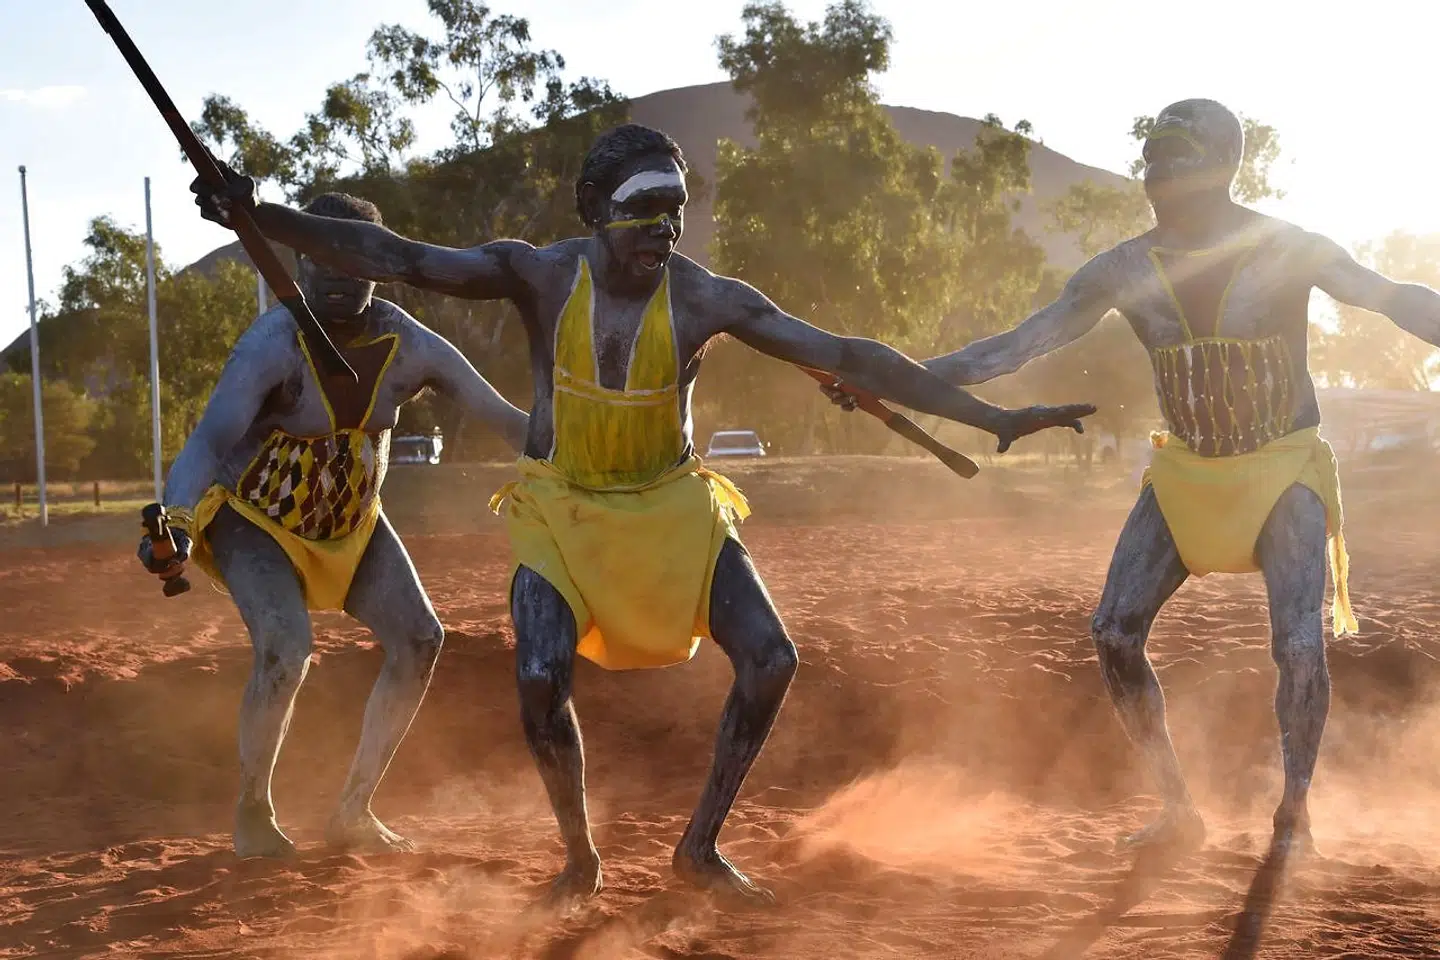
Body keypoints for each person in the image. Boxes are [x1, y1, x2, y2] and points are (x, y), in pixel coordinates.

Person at [188, 123, 1095, 901]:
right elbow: (399, 256)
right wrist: (258, 215)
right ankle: (579, 857)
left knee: (773, 659)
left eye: (676, 210)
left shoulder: (706, 298)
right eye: (643, 208)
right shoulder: (540, 276)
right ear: (595, 210)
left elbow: (852, 353)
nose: (662, 228)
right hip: (565, 511)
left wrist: (989, 416)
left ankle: (699, 848)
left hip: (674, 510)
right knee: (539, 677)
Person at [828, 99, 1440, 856]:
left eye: (1178, 157)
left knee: (1298, 645)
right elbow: (1015, 347)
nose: (1158, 173)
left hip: (1282, 471)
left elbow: (1393, 298)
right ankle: (1178, 812)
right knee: (1113, 632)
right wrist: (893, 377)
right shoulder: (1121, 271)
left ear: (1224, 166)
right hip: (1184, 474)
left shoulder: (1288, 249)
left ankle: (1294, 816)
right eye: (1151, 158)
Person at [138, 192, 529, 858]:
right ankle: (254, 810)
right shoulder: (272, 346)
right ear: (299, 263)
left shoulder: (408, 344)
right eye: (324, 260)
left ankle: (354, 812)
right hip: (254, 521)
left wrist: (587, 450)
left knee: (420, 640)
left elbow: (501, 417)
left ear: (381, 265)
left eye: (355, 262)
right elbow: (209, 440)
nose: (340, 277)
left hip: (353, 524)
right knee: (286, 648)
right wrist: (173, 520)